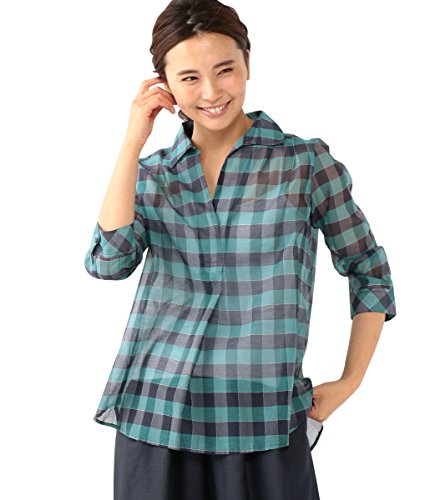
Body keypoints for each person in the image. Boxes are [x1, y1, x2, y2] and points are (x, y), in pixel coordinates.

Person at [83, 1, 397, 499]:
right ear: (164, 84)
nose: (211, 92)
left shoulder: (303, 164)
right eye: (189, 78)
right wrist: (131, 142)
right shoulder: (153, 175)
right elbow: (109, 261)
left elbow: (369, 269)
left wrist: (350, 380)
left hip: (264, 416)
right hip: (156, 413)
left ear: (248, 63)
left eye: (224, 70)